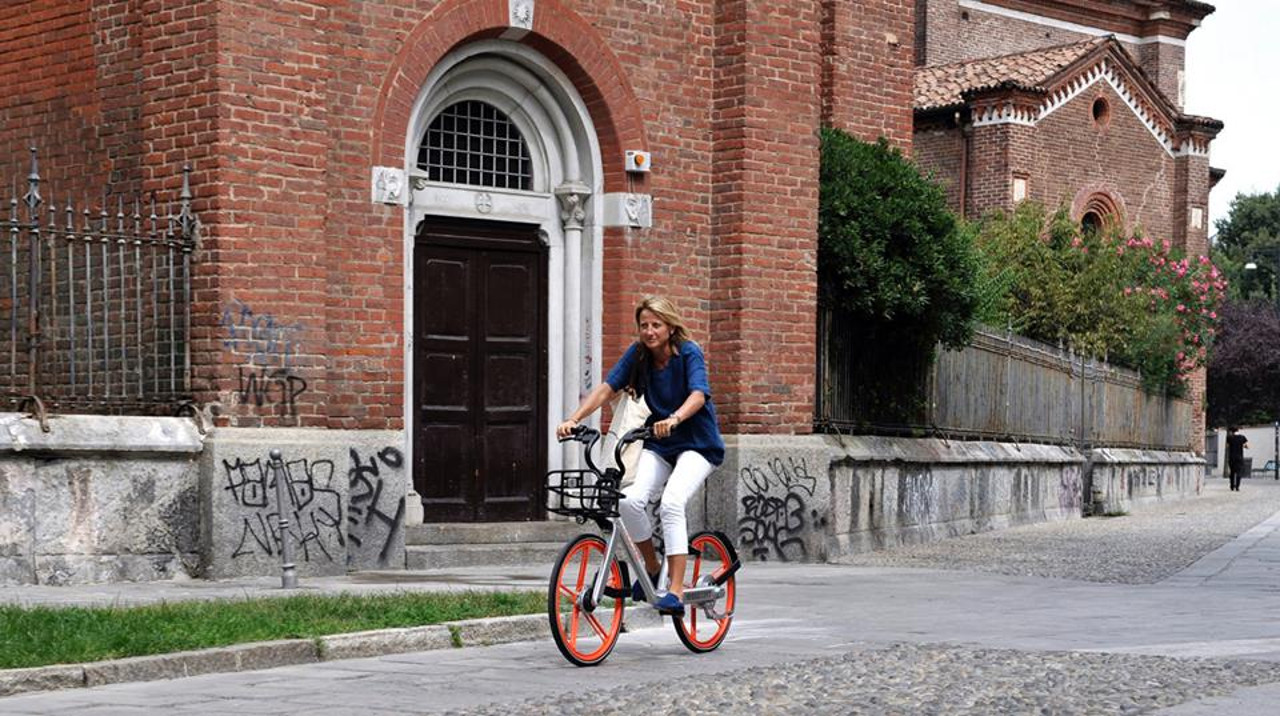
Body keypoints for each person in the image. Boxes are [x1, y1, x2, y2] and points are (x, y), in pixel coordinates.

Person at [556, 295, 725, 616]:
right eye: (644, 325)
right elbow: (607, 388)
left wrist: (675, 418)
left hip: (698, 445)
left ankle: (674, 590)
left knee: (672, 503)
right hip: (659, 444)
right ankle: (651, 566)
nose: (649, 331)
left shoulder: (688, 352)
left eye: (656, 325)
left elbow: (699, 394)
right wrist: (574, 419)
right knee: (629, 500)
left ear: (670, 326)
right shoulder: (639, 356)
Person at [1226, 426, 1249, 492]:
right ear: (1238, 430)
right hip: (1239, 457)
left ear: (1231, 432)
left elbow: (1227, 446)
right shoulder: (1242, 437)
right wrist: (1242, 445)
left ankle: (1232, 486)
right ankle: (1237, 487)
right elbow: (1247, 446)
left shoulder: (1229, 438)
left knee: (1232, 472)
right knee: (1239, 472)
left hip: (1232, 457)